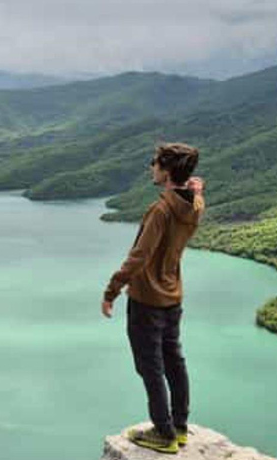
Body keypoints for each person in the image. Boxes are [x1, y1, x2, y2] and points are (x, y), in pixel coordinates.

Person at [101, 142, 205, 454]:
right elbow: (196, 196)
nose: (151, 167)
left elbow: (139, 257)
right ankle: (181, 426)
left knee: (150, 367)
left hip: (147, 301)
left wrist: (112, 290)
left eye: (155, 163)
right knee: (175, 361)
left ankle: (164, 433)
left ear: (167, 170)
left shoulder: (160, 211)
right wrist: (195, 189)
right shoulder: (194, 206)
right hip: (173, 297)